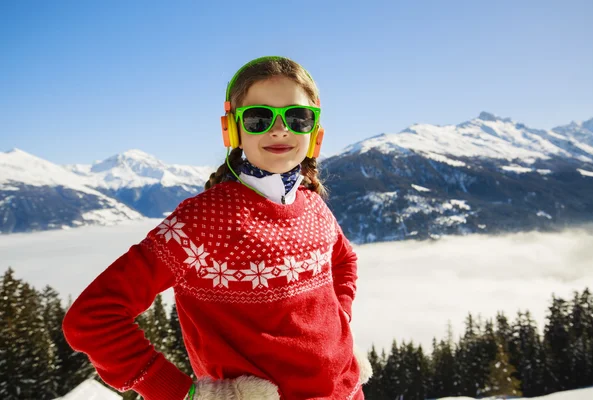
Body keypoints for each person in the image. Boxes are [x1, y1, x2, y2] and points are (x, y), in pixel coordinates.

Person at [62, 56, 371, 400]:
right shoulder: (205, 220)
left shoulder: (311, 202)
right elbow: (92, 317)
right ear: (233, 129)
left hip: (347, 391)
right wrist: (179, 393)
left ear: (314, 130)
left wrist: (339, 317)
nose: (280, 128)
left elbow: (344, 260)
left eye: (298, 117)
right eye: (258, 118)